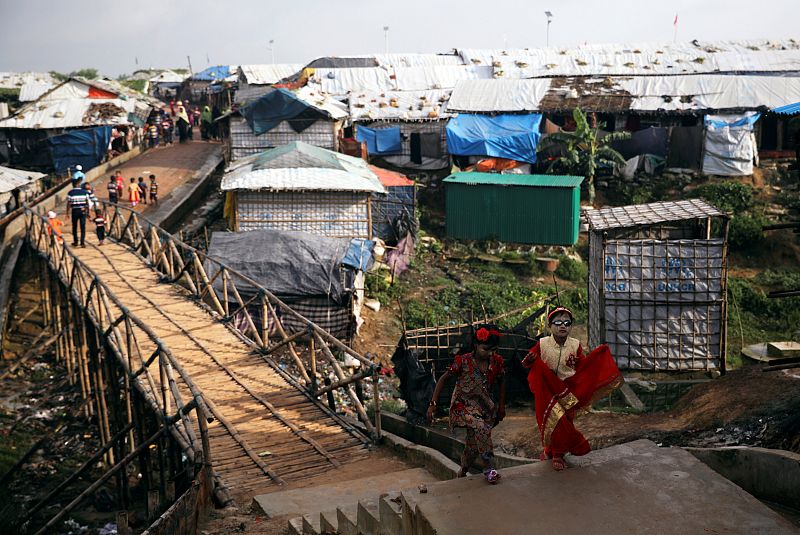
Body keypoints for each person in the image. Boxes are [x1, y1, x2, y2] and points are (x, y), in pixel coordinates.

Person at [521, 307, 622, 471]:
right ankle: (551, 450)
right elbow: (527, 362)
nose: (563, 326)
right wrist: (528, 361)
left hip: (567, 390)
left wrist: (591, 358)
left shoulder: (575, 345)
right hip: (547, 390)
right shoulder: (542, 344)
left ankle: (558, 453)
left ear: (570, 326)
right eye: (558, 323)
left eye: (567, 323)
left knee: (564, 422)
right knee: (549, 421)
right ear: (550, 326)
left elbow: (583, 365)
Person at [427, 324, 506, 484]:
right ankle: (489, 469)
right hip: (462, 406)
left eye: (494, 350)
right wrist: (433, 404)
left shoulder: (496, 362)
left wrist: (501, 406)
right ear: (476, 345)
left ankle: (463, 470)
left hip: (484, 407)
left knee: (473, 446)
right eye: (486, 349)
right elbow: (443, 379)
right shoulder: (463, 361)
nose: (490, 353)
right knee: (481, 428)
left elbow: (502, 381)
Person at [66, 178, 90, 247]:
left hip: (75, 210)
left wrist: (67, 213)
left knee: (74, 226)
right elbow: (87, 203)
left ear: (73, 185)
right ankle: (82, 242)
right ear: (78, 184)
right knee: (83, 226)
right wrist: (87, 212)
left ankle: (76, 241)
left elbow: (69, 203)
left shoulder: (70, 193)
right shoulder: (85, 192)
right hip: (83, 210)